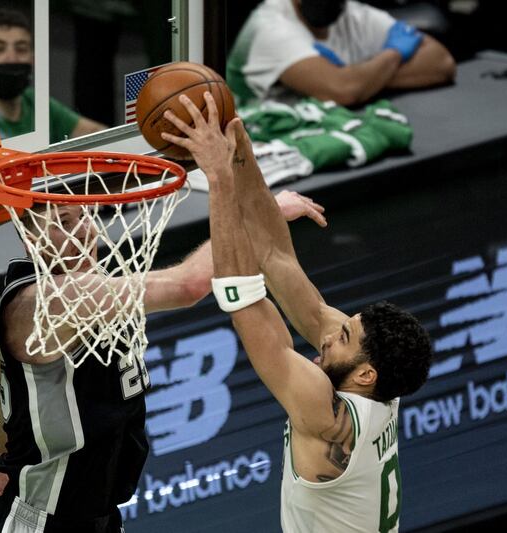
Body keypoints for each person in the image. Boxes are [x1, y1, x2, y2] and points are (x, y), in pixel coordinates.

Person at [161, 92, 433, 531]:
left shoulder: (326, 417)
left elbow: (244, 301)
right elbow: (275, 256)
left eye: (344, 338)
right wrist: (238, 144)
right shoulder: (381, 381)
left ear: (367, 374)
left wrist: (218, 178)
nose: (329, 334)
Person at [0, 197, 327, 531]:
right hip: (45, 522)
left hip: (100, 517)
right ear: (28, 236)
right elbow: (188, 285)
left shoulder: (81, 290)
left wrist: (0, 452)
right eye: (62, 223)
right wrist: (262, 211)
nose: (83, 231)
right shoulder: (47, 302)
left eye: (84, 216)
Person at [226, 0, 457, 106]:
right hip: (258, 143)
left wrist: (360, 80)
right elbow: (344, 91)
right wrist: (393, 54)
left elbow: (442, 63)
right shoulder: (268, 27)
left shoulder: (354, 15)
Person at [0, 9, 106, 145]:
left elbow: (96, 133)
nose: (11, 58)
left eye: (21, 49)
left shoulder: (33, 101)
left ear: (33, 59)